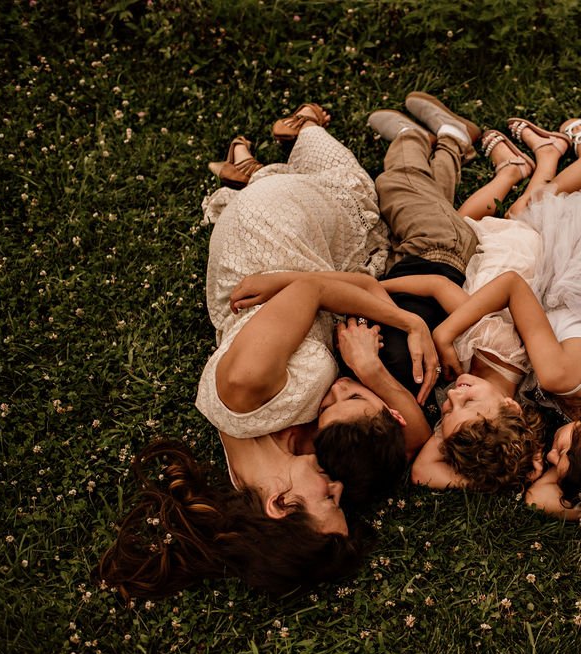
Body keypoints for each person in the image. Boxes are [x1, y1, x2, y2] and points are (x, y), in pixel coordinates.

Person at [99, 105, 435, 598]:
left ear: (281, 505)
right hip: (294, 289)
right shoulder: (280, 468)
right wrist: (371, 370)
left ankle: (293, 134)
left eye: (331, 503)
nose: (340, 490)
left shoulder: (246, 388)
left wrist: (407, 320)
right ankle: (252, 168)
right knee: (359, 240)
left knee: (353, 191)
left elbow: (311, 291)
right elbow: (415, 437)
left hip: (267, 245)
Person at [378, 103, 581, 524]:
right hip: (569, 282)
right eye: (563, 453)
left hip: (573, 307)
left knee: (534, 211)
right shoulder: (557, 377)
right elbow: (513, 285)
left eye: (553, 462)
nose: (550, 456)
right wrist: (443, 336)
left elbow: (535, 496)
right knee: (538, 212)